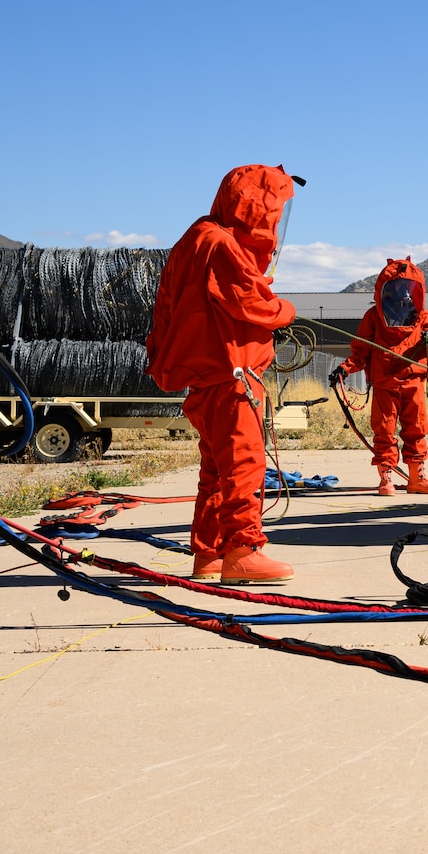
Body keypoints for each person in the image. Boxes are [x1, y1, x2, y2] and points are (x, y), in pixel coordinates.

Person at [147, 165, 300, 584]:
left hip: (209, 377)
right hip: (232, 377)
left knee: (216, 471)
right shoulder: (221, 245)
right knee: (244, 466)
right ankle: (242, 551)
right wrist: (286, 310)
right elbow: (252, 304)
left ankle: (209, 554)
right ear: (257, 207)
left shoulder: (195, 238)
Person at [330, 258, 428, 497]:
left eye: (407, 288)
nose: (403, 293)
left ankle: (417, 478)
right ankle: (386, 479)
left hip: (413, 382)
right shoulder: (374, 317)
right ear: (386, 289)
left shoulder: (422, 316)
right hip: (385, 383)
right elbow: (360, 351)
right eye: (397, 287)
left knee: (417, 428)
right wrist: (344, 369)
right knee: (384, 430)